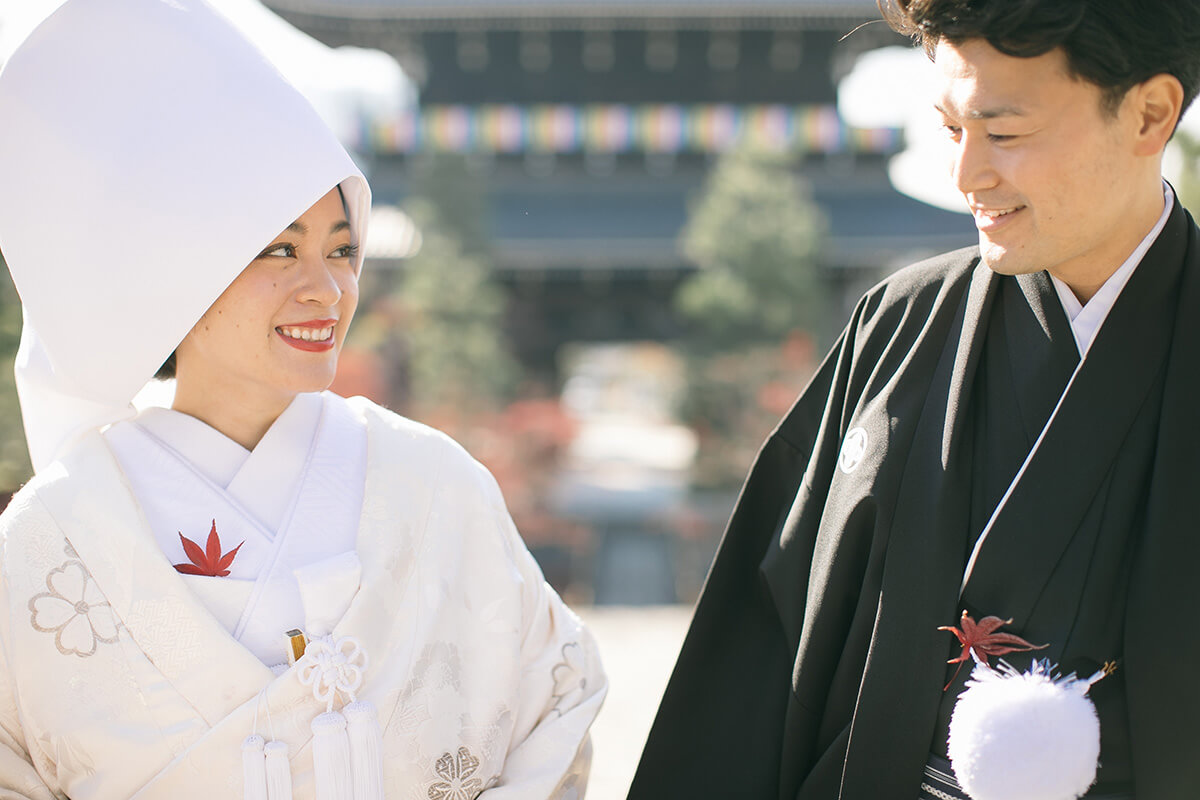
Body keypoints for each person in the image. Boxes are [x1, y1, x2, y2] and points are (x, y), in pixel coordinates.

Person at [0, 0, 604, 797]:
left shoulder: (433, 485)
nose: (327, 289)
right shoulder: (54, 536)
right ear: (172, 271)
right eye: (279, 249)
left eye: (343, 250)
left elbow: (552, 715)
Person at [629, 1, 1200, 798]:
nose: (967, 176)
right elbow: (761, 660)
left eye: (1003, 133)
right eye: (951, 129)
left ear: (1149, 113)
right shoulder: (898, 328)